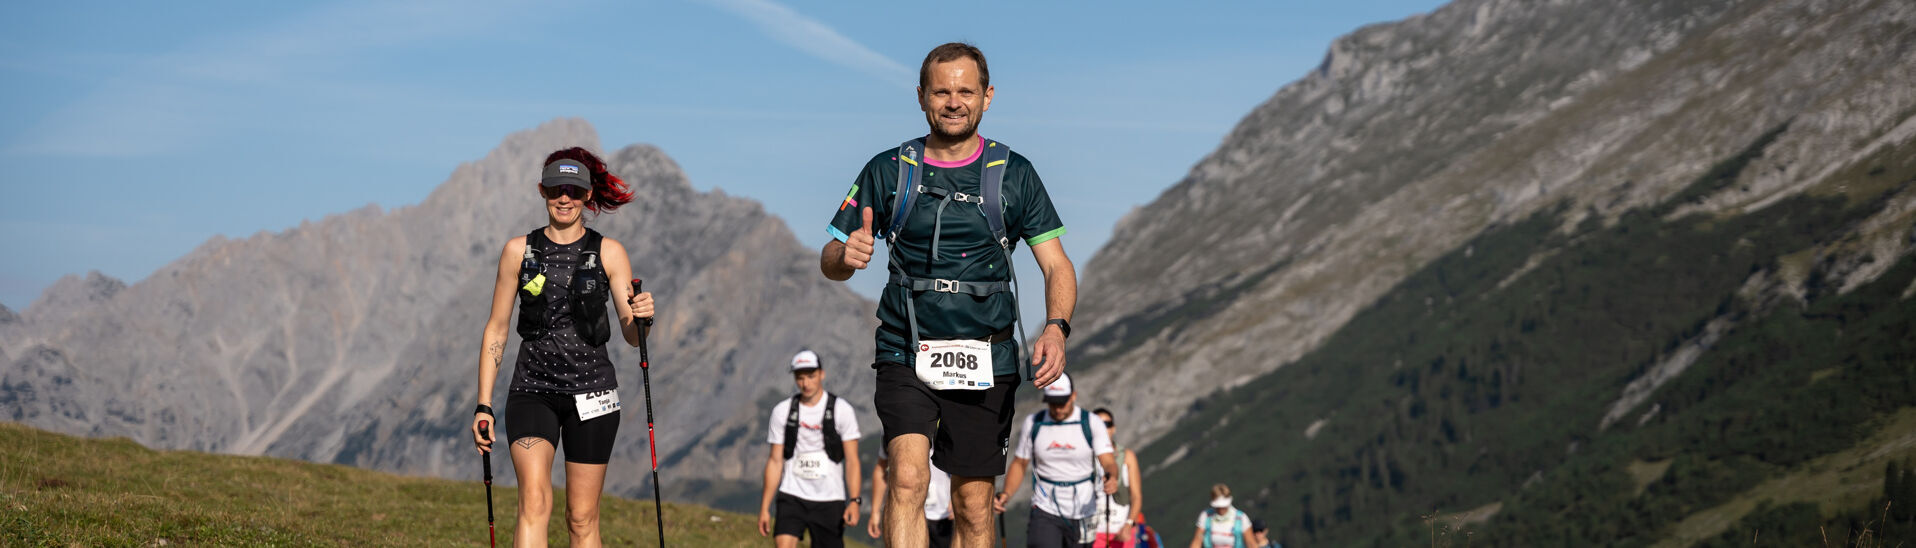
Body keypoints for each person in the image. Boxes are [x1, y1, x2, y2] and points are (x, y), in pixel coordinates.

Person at [819, 41, 1078, 548]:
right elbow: (830, 261)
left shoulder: (1015, 174)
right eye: (941, 92)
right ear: (921, 96)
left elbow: (1056, 264)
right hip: (905, 348)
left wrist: (1056, 327)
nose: (954, 102)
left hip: (987, 354)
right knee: (907, 479)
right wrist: (844, 256)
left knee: (974, 507)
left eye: (966, 92)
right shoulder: (889, 169)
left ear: (987, 96)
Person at [470, 147, 653, 548]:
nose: (564, 198)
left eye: (573, 190)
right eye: (556, 189)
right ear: (542, 191)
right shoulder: (518, 251)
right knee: (533, 502)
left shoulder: (610, 252)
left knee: (582, 518)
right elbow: (497, 330)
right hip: (532, 391)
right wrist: (484, 405)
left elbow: (632, 335)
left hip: (594, 394)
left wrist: (643, 318)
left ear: (588, 195)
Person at [994, 374, 1118, 548]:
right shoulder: (1034, 423)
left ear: (1073, 396)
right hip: (1045, 507)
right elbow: (1020, 463)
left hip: (1083, 509)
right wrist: (1006, 494)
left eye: (1062, 402)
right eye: (1053, 402)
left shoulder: (1091, 423)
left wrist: (1112, 477)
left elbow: (1108, 461)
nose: (1058, 408)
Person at [758, 350, 864, 548]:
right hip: (792, 493)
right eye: (800, 378)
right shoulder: (782, 411)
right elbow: (775, 461)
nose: (805, 383)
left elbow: (852, 460)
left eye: (811, 376)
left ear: (822, 374)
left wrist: (854, 501)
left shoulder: (842, 410)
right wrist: (764, 508)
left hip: (830, 497)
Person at [868, 446, 954, 548]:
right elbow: (880, 470)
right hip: (906, 514)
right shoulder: (891, 436)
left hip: (941, 514)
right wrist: (875, 512)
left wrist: (955, 500)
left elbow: (959, 466)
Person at [1089, 408, 1143, 548]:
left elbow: (1136, 496)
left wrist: (1129, 524)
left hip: (1121, 530)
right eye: (1097, 425)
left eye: (1106, 424)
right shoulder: (1084, 456)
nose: (1102, 429)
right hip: (1092, 531)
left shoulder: (1127, 456)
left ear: (1113, 428)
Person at [1188, 484, 1253, 548]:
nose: (1221, 509)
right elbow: (1197, 541)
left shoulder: (1241, 518)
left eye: (1223, 506)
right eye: (1218, 507)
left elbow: (1251, 544)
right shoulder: (1206, 516)